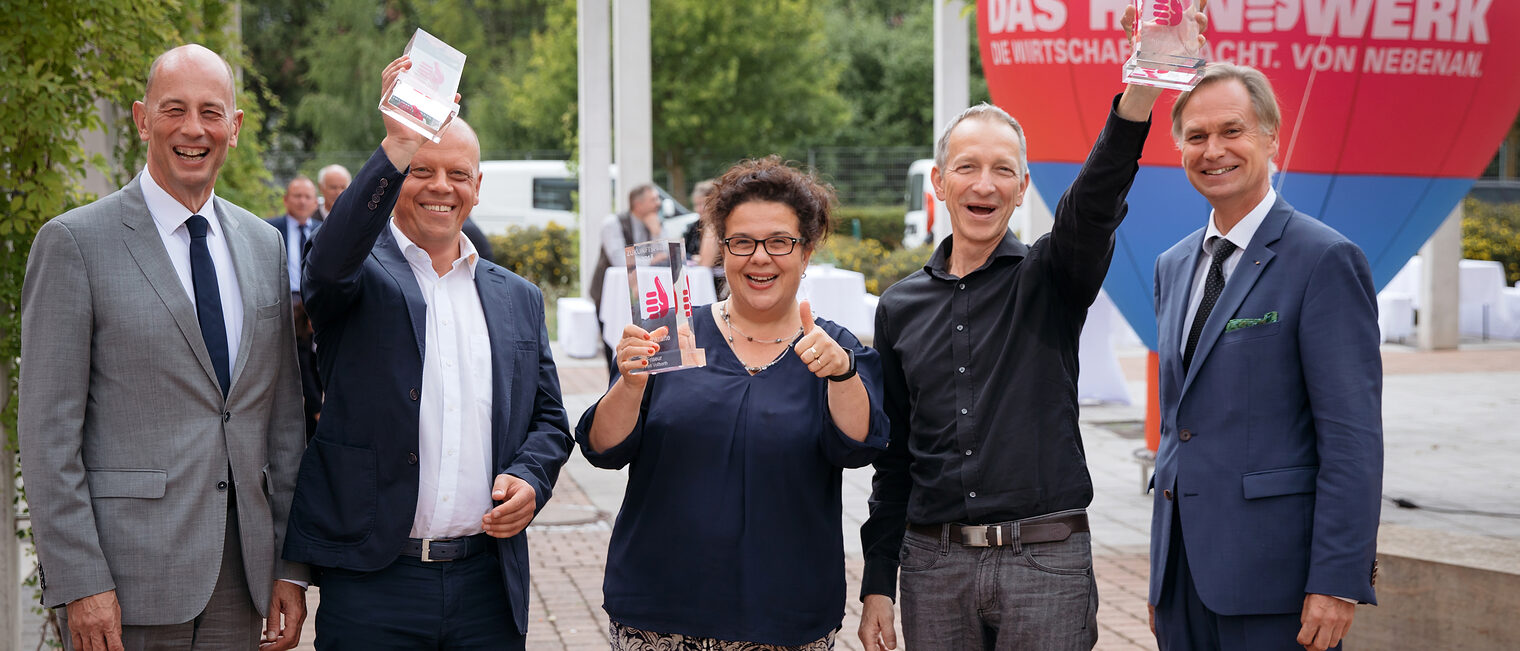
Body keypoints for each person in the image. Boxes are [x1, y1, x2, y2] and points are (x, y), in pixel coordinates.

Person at [856, 10, 1202, 647]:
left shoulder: (1051, 277)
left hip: (1045, 562)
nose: (983, 184)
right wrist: (879, 577)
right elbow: (894, 459)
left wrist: (1139, 98)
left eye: (1003, 171)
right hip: (934, 568)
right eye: (966, 167)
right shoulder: (900, 306)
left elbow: (1093, 205)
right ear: (939, 182)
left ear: (1021, 190)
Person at [19, 44, 308, 651]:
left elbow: (281, 420)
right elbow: (48, 436)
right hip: (124, 585)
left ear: (235, 126)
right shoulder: (74, 243)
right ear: (141, 118)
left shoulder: (263, 245)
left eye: (210, 111)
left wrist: (288, 564)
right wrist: (80, 581)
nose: (193, 128)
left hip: (242, 579)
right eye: (173, 109)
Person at [281, 57, 574, 649]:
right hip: (374, 586)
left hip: (486, 588)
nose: (441, 187)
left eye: (458, 174)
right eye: (422, 170)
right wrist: (396, 144)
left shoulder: (518, 299)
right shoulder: (358, 279)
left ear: (478, 186)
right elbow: (329, 261)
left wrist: (530, 479)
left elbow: (549, 420)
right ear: (397, 179)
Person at [577, 156, 889, 649]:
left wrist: (842, 374)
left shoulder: (833, 348)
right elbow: (603, 449)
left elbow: (859, 447)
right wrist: (631, 384)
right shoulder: (669, 334)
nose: (759, 257)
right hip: (659, 611)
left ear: (805, 252)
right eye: (741, 242)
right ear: (721, 251)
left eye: (779, 242)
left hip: (786, 617)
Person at [1147, 63, 1382, 651]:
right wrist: (1160, 579)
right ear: (1178, 146)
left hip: (1280, 586)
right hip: (1183, 581)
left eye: (1233, 131)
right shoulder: (1173, 266)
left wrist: (1337, 580)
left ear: (1271, 138)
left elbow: (1352, 437)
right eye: (1196, 136)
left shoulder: (1324, 260)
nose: (1213, 150)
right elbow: (1181, 428)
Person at [267, 175, 324, 440]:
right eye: (297, 195)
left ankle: (316, 409)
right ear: (286, 199)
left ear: (315, 202)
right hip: (284, 300)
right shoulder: (268, 229)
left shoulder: (326, 230)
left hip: (315, 302)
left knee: (312, 357)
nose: (302, 201)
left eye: (307, 196)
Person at [589, 184, 664, 379]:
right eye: (653, 199)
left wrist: (656, 232)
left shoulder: (655, 222)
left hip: (645, 294)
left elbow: (664, 257)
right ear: (638, 204)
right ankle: (613, 386)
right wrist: (651, 259)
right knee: (612, 345)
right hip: (610, 293)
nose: (659, 203)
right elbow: (619, 260)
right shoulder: (612, 223)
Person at [682, 179, 719, 268]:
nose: (698, 209)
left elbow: (706, 263)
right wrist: (693, 258)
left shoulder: (719, 228)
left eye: (701, 204)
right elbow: (681, 253)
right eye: (696, 205)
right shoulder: (693, 227)